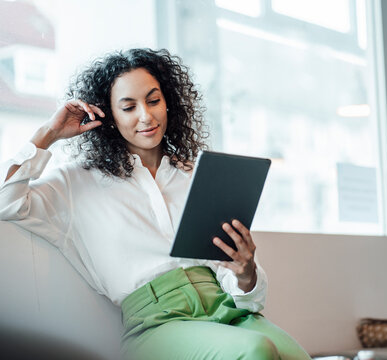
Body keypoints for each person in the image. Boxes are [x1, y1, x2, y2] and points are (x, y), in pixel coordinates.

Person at [0, 48, 311, 360]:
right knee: (256, 351)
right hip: (158, 326)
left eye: (153, 100)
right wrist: (49, 133)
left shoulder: (194, 176)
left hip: (228, 311)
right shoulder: (76, 182)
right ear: (107, 115)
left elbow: (244, 296)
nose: (146, 116)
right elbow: (7, 202)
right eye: (128, 107)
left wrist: (246, 272)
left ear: (168, 103)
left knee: (295, 355)